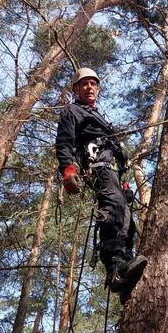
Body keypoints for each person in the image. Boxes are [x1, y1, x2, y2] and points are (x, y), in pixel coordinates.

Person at [56, 67, 147, 303]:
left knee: (126, 217)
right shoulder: (72, 111)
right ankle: (115, 268)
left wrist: (126, 182)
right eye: (84, 84)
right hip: (96, 166)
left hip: (113, 169)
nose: (89, 87)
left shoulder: (99, 117)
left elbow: (118, 156)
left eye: (93, 84)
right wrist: (68, 170)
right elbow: (64, 143)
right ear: (75, 89)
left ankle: (127, 267)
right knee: (112, 206)